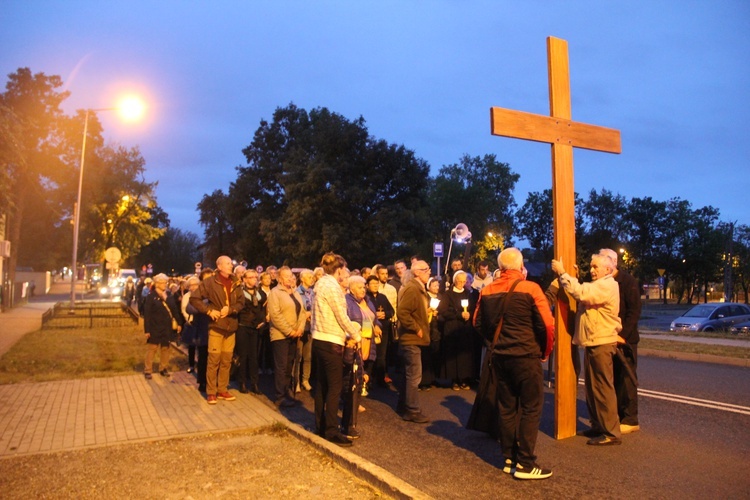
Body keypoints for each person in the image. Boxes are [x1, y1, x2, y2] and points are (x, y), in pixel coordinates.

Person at [472, 248, 555, 480]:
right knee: (530, 408)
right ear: (521, 267)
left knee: (506, 407)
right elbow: (547, 325)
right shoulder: (530, 288)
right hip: (526, 356)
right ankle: (526, 463)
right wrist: (545, 351)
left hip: (500, 356)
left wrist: (492, 343)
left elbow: (477, 321)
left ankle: (509, 458)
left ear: (500, 267)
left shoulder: (487, 289)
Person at [552, 253, 623, 446]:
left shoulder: (607, 285)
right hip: (594, 341)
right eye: (591, 267)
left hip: (601, 342)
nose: (591, 270)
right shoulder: (600, 285)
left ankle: (610, 432)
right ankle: (599, 426)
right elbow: (585, 289)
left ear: (608, 270)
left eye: (595, 267)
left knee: (602, 389)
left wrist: (563, 273)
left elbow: (582, 293)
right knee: (593, 389)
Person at [311, 252, 362, 447]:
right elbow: (341, 316)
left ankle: (320, 425)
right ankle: (331, 430)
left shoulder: (320, 284)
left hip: (319, 339)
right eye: (345, 270)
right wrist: (355, 335)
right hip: (330, 340)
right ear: (339, 270)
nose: (346, 274)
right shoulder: (331, 286)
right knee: (335, 387)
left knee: (323, 386)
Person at [189, 255, 245, 405]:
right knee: (214, 360)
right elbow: (194, 299)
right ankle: (211, 391)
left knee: (226, 360)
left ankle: (222, 389)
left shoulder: (236, 282)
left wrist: (232, 309)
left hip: (231, 326)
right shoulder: (210, 282)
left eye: (230, 263)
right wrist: (208, 311)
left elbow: (241, 302)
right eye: (227, 263)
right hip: (216, 326)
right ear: (219, 266)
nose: (230, 266)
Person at [600, 248, 642, 434]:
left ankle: (630, 419)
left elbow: (634, 312)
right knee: (614, 378)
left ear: (612, 262)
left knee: (627, 379)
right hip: (608, 337)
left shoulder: (628, 282)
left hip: (625, 339)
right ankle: (615, 415)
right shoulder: (603, 281)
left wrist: (622, 334)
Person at [343, 275, 382, 438]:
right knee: (354, 377)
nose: (363, 289)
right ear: (351, 288)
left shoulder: (366, 300)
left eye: (364, 287)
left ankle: (356, 401)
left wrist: (378, 326)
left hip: (368, 340)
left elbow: (373, 317)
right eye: (360, 287)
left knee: (364, 374)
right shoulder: (347, 302)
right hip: (355, 342)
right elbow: (347, 321)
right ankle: (349, 411)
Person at [396, 259, 432, 424]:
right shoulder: (413, 288)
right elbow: (403, 312)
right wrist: (417, 328)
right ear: (417, 272)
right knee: (414, 376)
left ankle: (404, 405)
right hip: (411, 339)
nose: (429, 272)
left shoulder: (417, 288)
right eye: (426, 269)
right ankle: (412, 410)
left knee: (407, 374)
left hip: (411, 339)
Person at [267, 266, 306, 407]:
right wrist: (289, 331)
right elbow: (275, 315)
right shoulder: (275, 293)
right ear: (280, 278)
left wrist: (300, 328)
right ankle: (279, 396)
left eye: (291, 276)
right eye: (287, 276)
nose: (290, 278)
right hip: (281, 335)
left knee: (289, 365)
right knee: (281, 366)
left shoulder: (295, 293)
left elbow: (302, 312)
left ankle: (287, 392)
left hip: (295, 335)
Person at [438, 270, 475, 390]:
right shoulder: (448, 294)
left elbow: (474, 308)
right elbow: (443, 311)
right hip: (452, 327)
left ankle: (464, 379)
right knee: (453, 354)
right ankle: (454, 379)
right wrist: (459, 315)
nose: (462, 283)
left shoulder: (468, 293)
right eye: (459, 281)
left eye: (464, 281)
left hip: (465, 328)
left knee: (464, 355)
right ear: (455, 281)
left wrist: (469, 314)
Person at [143, 273, 183, 379]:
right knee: (152, 348)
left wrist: (179, 323)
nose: (165, 284)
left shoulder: (168, 295)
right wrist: (147, 330)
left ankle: (163, 368)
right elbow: (147, 314)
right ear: (156, 284)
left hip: (166, 326)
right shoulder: (151, 297)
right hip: (154, 326)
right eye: (162, 282)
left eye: (165, 282)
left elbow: (174, 309)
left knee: (166, 348)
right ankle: (148, 370)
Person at [236, 269, 266, 394]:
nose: (254, 279)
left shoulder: (260, 293)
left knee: (254, 356)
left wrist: (263, 320)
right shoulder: (240, 292)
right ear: (245, 279)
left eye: (255, 277)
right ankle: (242, 382)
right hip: (243, 326)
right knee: (243, 356)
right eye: (251, 277)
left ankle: (255, 383)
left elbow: (264, 308)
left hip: (256, 328)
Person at [366, 274, 394, 388]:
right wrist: (374, 315)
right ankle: (368, 379)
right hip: (369, 328)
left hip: (384, 329)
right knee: (370, 355)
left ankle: (380, 379)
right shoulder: (366, 298)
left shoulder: (382, 297)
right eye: (372, 284)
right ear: (367, 285)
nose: (375, 286)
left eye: (377, 284)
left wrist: (385, 314)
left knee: (381, 355)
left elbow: (391, 311)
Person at [294, 269, 315, 392]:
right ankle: (295, 381)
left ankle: (305, 380)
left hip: (311, 327)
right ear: (302, 279)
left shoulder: (313, 293)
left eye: (312, 277)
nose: (312, 279)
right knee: (298, 356)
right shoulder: (296, 292)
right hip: (300, 327)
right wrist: (304, 314)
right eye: (309, 277)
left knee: (308, 356)